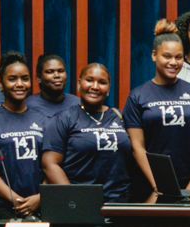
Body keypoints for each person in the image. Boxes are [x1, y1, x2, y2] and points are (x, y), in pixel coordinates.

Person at [0, 53, 58, 219]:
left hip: (41, 206)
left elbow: (53, 163)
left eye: (25, 78)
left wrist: (40, 197)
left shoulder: (45, 120)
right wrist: (14, 198)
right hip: (2, 207)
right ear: (1, 85)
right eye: (12, 79)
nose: (19, 84)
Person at [124, 32, 190, 196]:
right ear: (154, 56)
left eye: (179, 57)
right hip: (149, 185)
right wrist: (159, 184)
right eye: (167, 56)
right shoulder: (138, 95)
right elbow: (137, 147)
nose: (173, 62)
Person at [42, 63, 132, 201]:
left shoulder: (119, 117)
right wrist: (75, 199)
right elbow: (50, 164)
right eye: (89, 80)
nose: (95, 87)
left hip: (119, 203)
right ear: (79, 84)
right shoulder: (64, 118)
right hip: (80, 205)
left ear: (108, 89)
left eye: (102, 82)